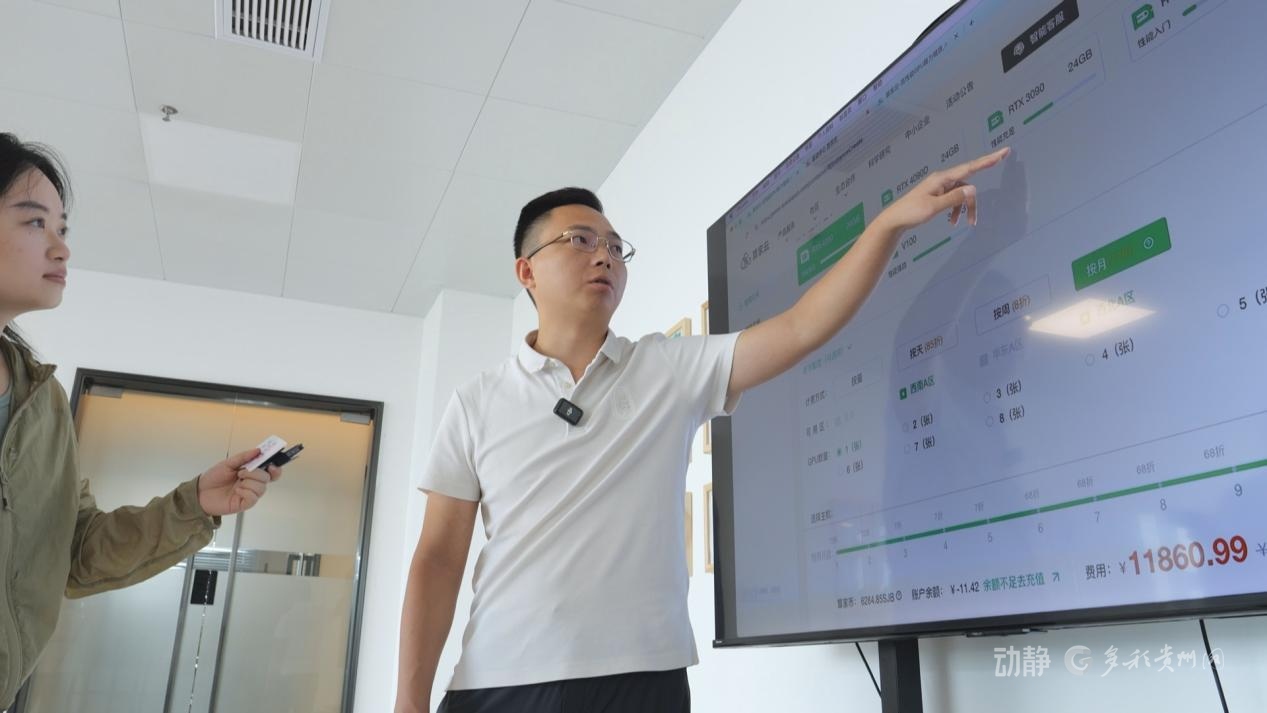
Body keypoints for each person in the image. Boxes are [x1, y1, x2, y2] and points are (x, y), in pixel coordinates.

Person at [395, 146, 1012, 713]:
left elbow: (801, 328)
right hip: (500, 679)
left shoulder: (667, 367)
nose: (604, 255)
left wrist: (888, 225)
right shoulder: (476, 402)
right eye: (580, 240)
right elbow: (438, 558)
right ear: (526, 272)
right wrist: (409, 700)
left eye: (615, 246)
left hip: (643, 679)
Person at [0, 133, 285, 711]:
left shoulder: (44, 402)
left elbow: (74, 552)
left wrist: (194, 505)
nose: (61, 248)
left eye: (63, 228)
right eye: (35, 222)